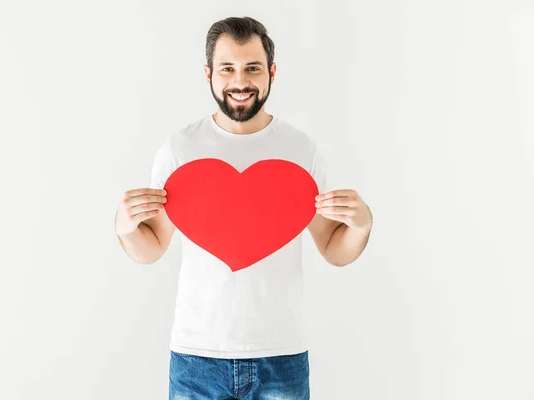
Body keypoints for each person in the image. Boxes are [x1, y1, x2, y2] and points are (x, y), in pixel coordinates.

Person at [115, 16, 374, 400]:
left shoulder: (302, 150)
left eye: (252, 68)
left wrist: (362, 225)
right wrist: (124, 227)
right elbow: (151, 246)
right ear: (209, 74)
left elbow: (333, 249)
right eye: (227, 69)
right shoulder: (179, 150)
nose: (240, 81)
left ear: (271, 71)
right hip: (196, 356)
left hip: (281, 354)